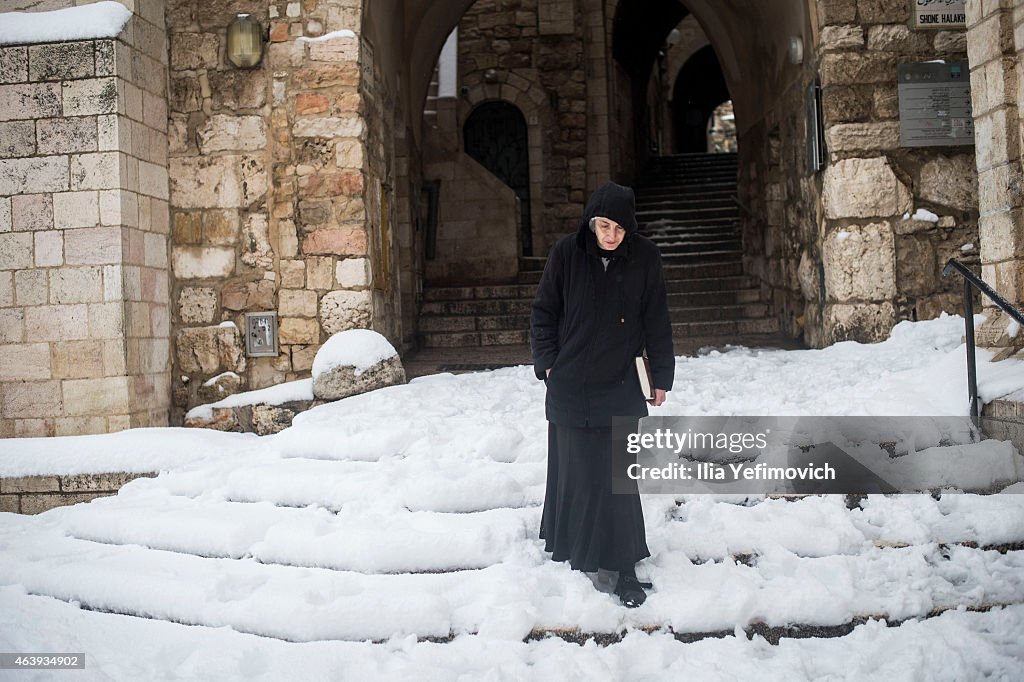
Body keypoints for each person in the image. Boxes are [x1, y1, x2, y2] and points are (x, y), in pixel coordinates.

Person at [530, 181, 675, 608]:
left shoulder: (645, 257)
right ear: (591, 222)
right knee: (577, 472)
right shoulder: (566, 253)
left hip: (620, 384)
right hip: (570, 384)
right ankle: (579, 549)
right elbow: (543, 312)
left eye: (618, 228)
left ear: (630, 228)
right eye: (603, 226)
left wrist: (662, 376)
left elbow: (657, 319)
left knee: (618, 479)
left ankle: (624, 566)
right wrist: (549, 362)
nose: (610, 235)